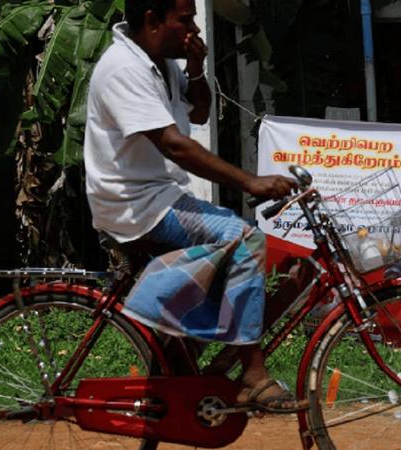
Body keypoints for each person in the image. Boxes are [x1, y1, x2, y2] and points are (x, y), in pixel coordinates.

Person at [83, 0, 301, 410]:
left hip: (157, 195)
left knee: (220, 267)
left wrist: (197, 69)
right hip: (136, 205)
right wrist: (250, 180)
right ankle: (253, 375)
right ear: (151, 21)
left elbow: (198, 112)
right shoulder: (123, 69)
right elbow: (174, 144)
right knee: (244, 239)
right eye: (185, 20)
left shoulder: (159, 62)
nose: (194, 28)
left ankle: (175, 370)